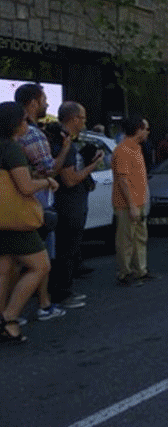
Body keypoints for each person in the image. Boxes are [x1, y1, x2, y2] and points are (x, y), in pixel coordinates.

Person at [0, 101, 60, 342]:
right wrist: (47, 182)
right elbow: (25, 188)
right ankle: (10, 318)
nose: (28, 123)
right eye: (24, 120)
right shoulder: (11, 149)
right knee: (40, 265)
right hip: (17, 220)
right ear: (14, 124)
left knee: (3, 270)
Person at [14, 83, 69, 320]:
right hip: (35, 205)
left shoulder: (11, 136)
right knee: (40, 260)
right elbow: (49, 171)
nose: (47, 104)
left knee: (11, 262)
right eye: (44, 99)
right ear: (34, 102)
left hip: (12, 206)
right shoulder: (32, 134)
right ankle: (40, 306)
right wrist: (65, 149)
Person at [49, 102, 104, 308]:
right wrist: (92, 166)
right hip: (69, 204)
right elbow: (70, 179)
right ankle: (61, 293)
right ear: (73, 119)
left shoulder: (68, 143)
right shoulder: (65, 145)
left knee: (69, 249)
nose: (84, 122)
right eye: (82, 118)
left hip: (72, 202)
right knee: (67, 250)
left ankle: (64, 289)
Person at [112, 115, 154, 286]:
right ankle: (125, 272)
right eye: (146, 129)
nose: (148, 132)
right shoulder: (123, 150)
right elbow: (123, 179)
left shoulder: (136, 148)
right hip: (127, 204)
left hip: (138, 201)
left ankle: (140, 270)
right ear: (138, 130)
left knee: (139, 237)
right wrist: (131, 205)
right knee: (126, 239)